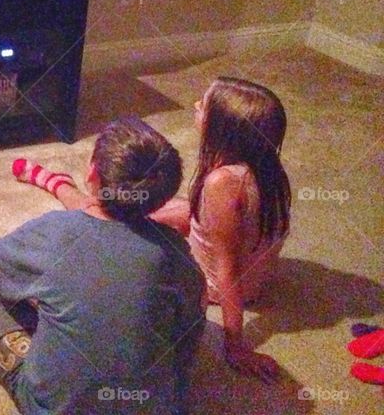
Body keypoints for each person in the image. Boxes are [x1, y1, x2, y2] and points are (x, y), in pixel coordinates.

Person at [16, 77, 290, 383]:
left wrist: (235, 346)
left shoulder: (221, 184)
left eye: (204, 106)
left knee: (104, 207)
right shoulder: (263, 168)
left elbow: (228, 271)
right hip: (250, 270)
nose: (196, 106)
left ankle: (58, 184)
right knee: (151, 196)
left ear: (223, 129)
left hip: (215, 281)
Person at [0, 118, 206, 415]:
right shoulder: (175, 250)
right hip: (158, 408)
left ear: (92, 171)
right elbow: (190, 329)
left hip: (54, 408)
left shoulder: (55, 231)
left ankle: (58, 188)